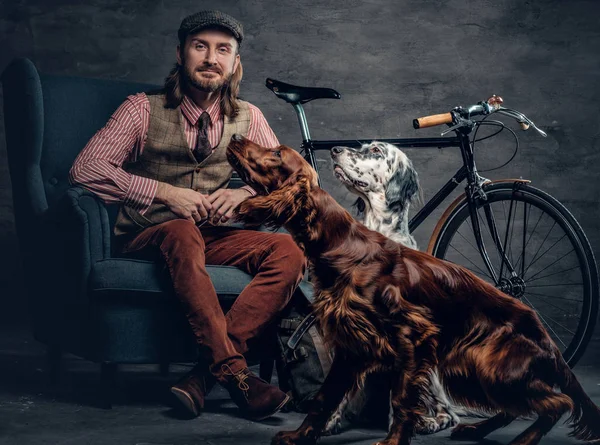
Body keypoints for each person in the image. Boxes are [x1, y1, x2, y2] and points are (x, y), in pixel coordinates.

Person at [69, 10, 306, 421]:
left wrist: (243, 196)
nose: (211, 58)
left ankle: (205, 377)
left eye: (223, 50)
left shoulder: (249, 117)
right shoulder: (141, 109)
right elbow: (85, 169)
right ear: (180, 54)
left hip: (213, 237)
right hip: (148, 237)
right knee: (180, 229)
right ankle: (238, 375)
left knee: (287, 250)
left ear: (235, 64)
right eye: (200, 47)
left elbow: (287, 182)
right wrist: (163, 192)